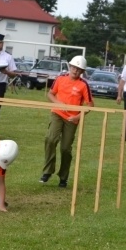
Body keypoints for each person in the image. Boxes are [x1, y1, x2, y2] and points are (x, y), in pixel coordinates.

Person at [40, 55, 94, 188]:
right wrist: (59, 104)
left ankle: (63, 177)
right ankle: (47, 171)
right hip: (57, 113)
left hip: (72, 118)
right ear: (70, 67)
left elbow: (90, 105)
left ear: (82, 72)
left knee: (65, 148)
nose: (75, 71)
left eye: (79, 69)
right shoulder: (60, 79)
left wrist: (77, 117)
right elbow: (50, 94)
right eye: (74, 67)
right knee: (50, 139)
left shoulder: (83, 85)